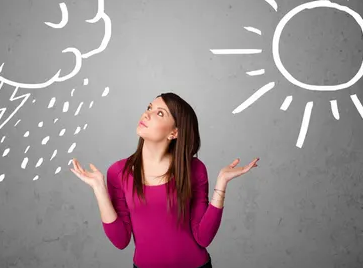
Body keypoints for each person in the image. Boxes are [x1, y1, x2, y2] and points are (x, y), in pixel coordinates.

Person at [71, 92, 259, 268]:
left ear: (174, 133)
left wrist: (222, 183)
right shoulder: (118, 172)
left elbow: (203, 237)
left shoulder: (194, 169)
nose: (147, 114)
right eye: (149, 107)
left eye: (159, 113)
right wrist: (99, 189)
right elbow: (120, 241)